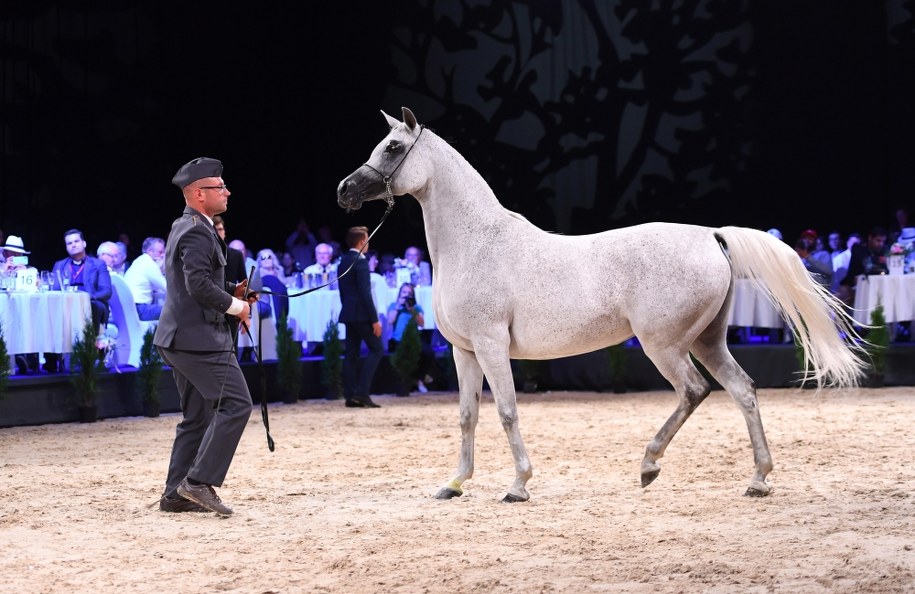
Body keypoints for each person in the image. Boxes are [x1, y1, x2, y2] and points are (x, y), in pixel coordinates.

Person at [153, 156, 258, 515]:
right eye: (219, 187)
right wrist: (235, 307)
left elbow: (196, 281)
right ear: (199, 193)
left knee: (196, 418)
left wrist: (234, 290)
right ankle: (197, 482)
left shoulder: (186, 225)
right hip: (197, 339)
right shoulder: (198, 230)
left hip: (179, 338)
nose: (227, 191)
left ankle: (174, 494)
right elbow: (197, 285)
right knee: (238, 404)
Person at [338, 226, 382, 408]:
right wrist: (375, 319)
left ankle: (350, 396)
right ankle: (362, 392)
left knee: (351, 355)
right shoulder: (361, 261)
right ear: (362, 242)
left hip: (348, 313)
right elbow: (365, 293)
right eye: (367, 239)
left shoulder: (343, 260)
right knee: (377, 350)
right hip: (362, 315)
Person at [386, 282, 436, 394]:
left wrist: (412, 309)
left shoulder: (416, 308)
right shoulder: (393, 306)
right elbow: (390, 321)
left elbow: (421, 323)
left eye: (409, 293)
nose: (406, 295)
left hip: (414, 339)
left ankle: (420, 379)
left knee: (428, 353)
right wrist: (399, 306)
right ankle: (411, 381)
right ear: (399, 293)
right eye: (404, 292)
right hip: (398, 341)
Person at [837, 225, 889, 306]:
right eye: (878, 241)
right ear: (870, 238)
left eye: (883, 241)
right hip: (852, 285)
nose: (881, 244)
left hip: (877, 286)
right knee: (843, 293)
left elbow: (886, 271)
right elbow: (865, 266)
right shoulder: (858, 249)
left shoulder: (884, 252)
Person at [123, 236, 167, 321]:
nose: (163, 255)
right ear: (150, 251)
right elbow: (167, 287)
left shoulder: (140, 261)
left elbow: (157, 288)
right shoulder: (149, 264)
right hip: (139, 309)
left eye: (164, 252)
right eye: (160, 252)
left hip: (132, 308)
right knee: (176, 311)